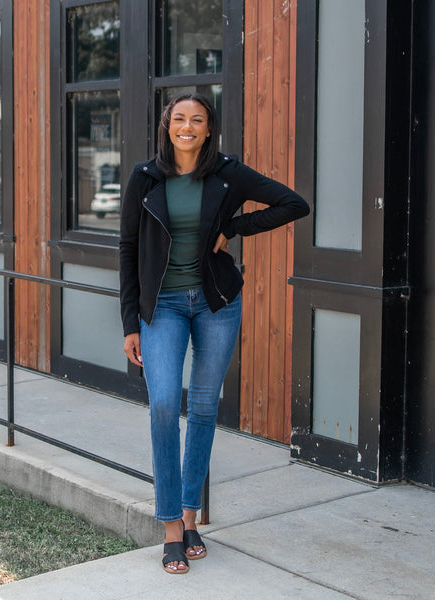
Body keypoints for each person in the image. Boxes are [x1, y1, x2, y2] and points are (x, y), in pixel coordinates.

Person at [119, 93, 309, 574]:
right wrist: (129, 324)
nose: (187, 127)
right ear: (167, 126)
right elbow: (126, 250)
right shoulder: (144, 177)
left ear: (208, 128)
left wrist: (236, 227)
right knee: (164, 405)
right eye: (178, 119)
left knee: (203, 407)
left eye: (196, 120)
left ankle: (188, 521)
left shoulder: (227, 172)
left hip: (216, 303)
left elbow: (293, 204)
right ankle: (168, 529)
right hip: (159, 306)